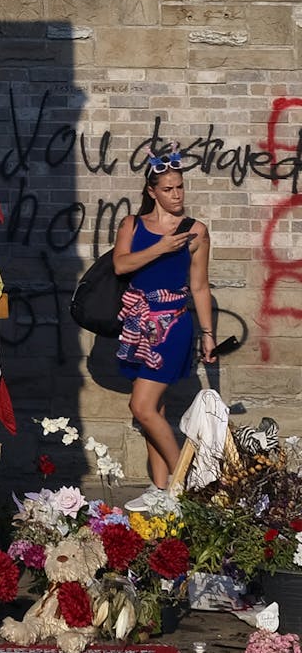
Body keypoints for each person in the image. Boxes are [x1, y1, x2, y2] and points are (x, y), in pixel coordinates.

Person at [113, 142, 216, 512]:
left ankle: (187, 484)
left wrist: (208, 335)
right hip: (137, 325)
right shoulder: (131, 224)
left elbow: (200, 287)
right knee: (152, 410)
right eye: (168, 189)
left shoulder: (196, 232)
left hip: (173, 325)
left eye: (180, 187)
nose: (176, 195)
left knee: (140, 406)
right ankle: (161, 492)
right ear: (151, 192)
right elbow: (121, 266)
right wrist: (161, 247)